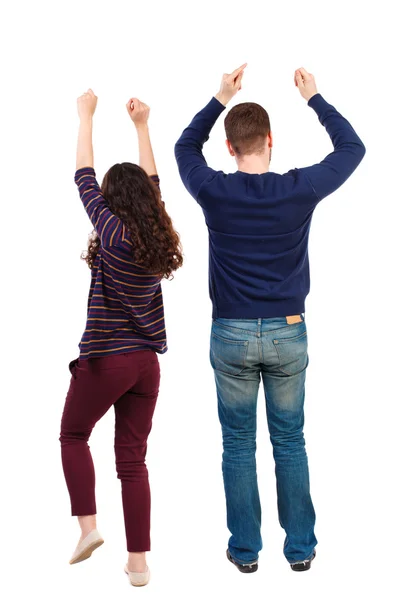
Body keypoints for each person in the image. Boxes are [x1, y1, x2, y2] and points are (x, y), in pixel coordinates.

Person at [175, 65, 365, 573]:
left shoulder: (213, 190)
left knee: (238, 444)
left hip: (231, 333)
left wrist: (219, 97)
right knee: (290, 441)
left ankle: (245, 552)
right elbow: (352, 150)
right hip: (288, 331)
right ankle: (300, 550)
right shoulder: (298, 189)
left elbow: (183, 148)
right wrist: (315, 98)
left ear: (231, 149)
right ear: (270, 141)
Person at [60, 89, 183, 587]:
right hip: (145, 366)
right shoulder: (155, 235)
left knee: (73, 435)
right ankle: (138, 564)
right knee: (132, 461)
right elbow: (152, 185)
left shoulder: (111, 231)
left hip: (107, 360)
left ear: (112, 203)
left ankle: (88, 528)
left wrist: (85, 115)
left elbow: (83, 177)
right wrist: (141, 127)